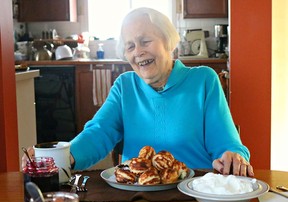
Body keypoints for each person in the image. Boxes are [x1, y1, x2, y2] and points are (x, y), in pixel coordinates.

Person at [22, 7, 254, 177]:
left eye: (145, 41)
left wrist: (233, 156)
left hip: (194, 193)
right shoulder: (125, 86)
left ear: (169, 42)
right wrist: (63, 155)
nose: (138, 52)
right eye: (130, 46)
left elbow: (226, 142)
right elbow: (99, 132)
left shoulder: (204, 80)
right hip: (135, 193)